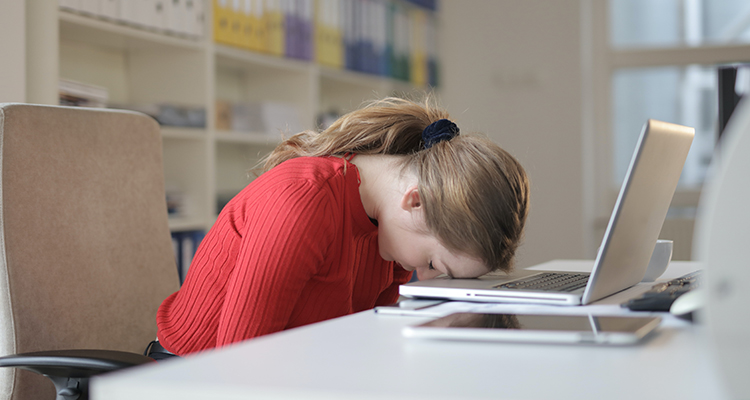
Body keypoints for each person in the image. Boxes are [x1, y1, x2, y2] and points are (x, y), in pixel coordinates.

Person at [154, 97, 529, 356]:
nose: (426, 280)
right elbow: (239, 365)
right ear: (415, 201)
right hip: (192, 375)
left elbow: (363, 342)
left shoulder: (393, 231)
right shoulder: (303, 201)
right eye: (434, 265)